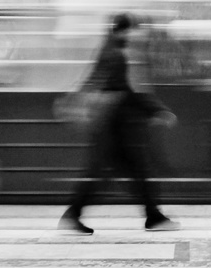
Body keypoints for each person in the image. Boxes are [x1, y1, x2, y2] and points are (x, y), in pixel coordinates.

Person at [59, 13, 179, 234]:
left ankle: (153, 216)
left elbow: (95, 80)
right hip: (115, 127)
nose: (137, 35)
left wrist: (73, 99)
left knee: (130, 172)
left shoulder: (110, 50)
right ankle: (73, 214)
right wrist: (156, 109)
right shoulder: (116, 55)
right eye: (134, 30)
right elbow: (125, 90)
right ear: (126, 30)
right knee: (112, 173)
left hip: (114, 126)